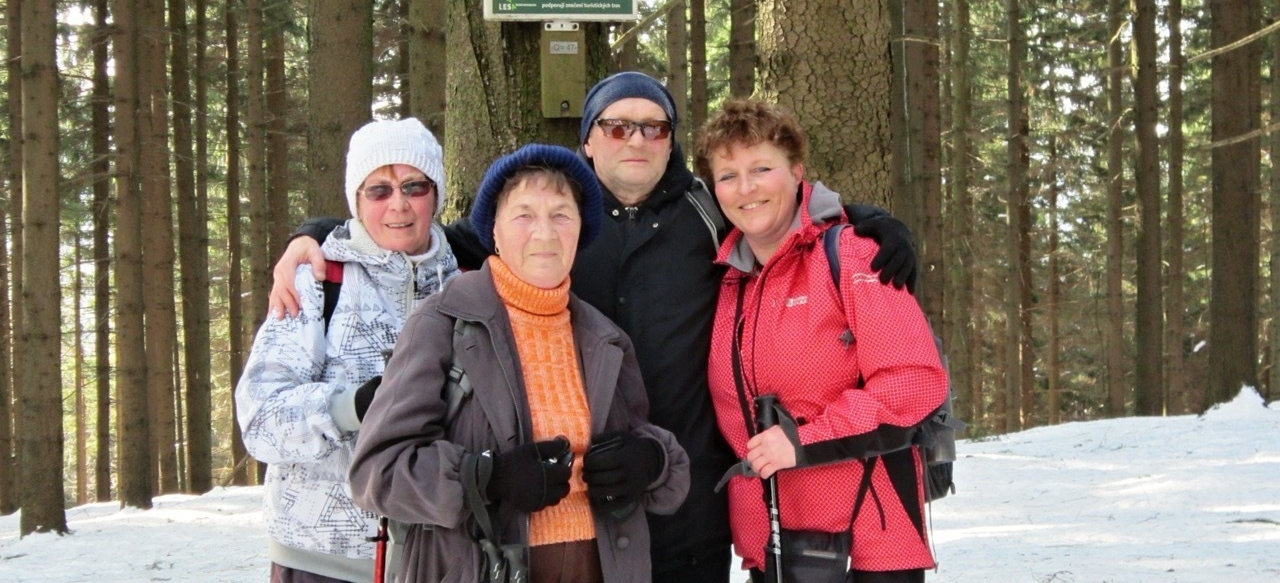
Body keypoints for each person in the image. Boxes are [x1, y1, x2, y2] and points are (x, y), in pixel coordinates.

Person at [268, 71, 919, 583]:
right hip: (559, 528)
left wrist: (866, 221)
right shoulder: (535, 231)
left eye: (654, 128)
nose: (636, 140)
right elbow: (410, 232)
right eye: (616, 126)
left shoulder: (709, 214)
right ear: (587, 139)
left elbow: (774, 206)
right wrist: (320, 235)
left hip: (688, 508)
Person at [348, 143, 690, 583]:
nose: (544, 233)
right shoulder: (441, 325)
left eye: (561, 215)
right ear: (494, 230)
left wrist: (650, 460)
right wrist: (486, 479)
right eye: (524, 215)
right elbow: (378, 471)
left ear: (581, 230)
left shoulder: (605, 338)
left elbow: (660, 462)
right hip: (480, 568)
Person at [693, 98, 948, 583]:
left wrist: (803, 440)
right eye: (728, 175)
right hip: (775, 546)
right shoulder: (727, 281)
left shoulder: (851, 256)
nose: (745, 188)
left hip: (869, 547)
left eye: (761, 168)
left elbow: (913, 383)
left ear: (796, 172)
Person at [236, 118, 459, 583]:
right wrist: (350, 407)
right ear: (356, 201)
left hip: (436, 559)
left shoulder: (466, 285)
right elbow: (258, 419)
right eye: (378, 190)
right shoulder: (317, 281)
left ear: (436, 194)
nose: (398, 204)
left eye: (414, 186)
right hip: (321, 562)